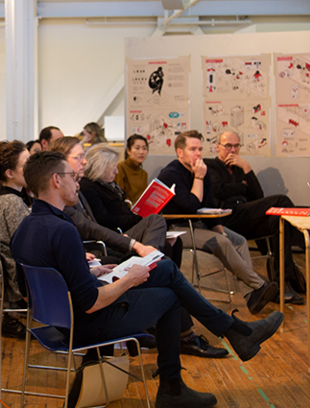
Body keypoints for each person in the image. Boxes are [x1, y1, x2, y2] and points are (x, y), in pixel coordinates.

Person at [11, 151, 284, 407]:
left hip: (57, 319)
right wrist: (129, 279)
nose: (78, 184)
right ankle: (177, 384)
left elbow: (32, 288)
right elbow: (91, 303)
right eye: (72, 177)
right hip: (85, 323)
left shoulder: (26, 227)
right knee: (170, 295)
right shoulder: (62, 230)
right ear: (56, 181)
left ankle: (233, 334)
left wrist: (92, 272)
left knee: (164, 269)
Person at [49, 137, 225, 358]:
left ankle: (200, 331)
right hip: (97, 269)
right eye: (79, 157)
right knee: (166, 272)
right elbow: (91, 228)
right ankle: (200, 334)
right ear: (58, 172)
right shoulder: (68, 201)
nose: (84, 162)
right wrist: (132, 244)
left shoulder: (62, 202)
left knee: (162, 249)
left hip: (93, 266)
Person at [205, 130, 310, 304]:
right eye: (228, 146)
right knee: (281, 200)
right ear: (217, 147)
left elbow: (257, 196)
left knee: (279, 221)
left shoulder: (241, 168)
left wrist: (247, 169)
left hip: (245, 216)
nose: (232, 150)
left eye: (236, 146)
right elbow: (220, 190)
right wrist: (242, 187)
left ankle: (284, 285)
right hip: (226, 218)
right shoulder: (210, 165)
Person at [158, 130, 278, 315]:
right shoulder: (170, 173)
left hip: (200, 223)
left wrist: (220, 230)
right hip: (178, 228)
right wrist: (198, 177)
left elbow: (209, 205)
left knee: (237, 240)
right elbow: (191, 206)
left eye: (200, 149)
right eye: (192, 149)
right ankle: (259, 285)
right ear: (180, 152)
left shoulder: (202, 170)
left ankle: (251, 296)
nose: (198, 153)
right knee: (221, 242)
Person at [0, 141, 30, 338]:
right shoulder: (11, 202)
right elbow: (26, 248)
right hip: (20, 278)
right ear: (10, 173)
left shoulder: (12, 199)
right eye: (26, 163)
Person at [114, 134, 149, 204]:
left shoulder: (144, 174)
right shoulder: (120, 167)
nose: (141, 152)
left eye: (144, 148)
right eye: (137, 148)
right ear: (128, 151)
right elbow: (118, 196)